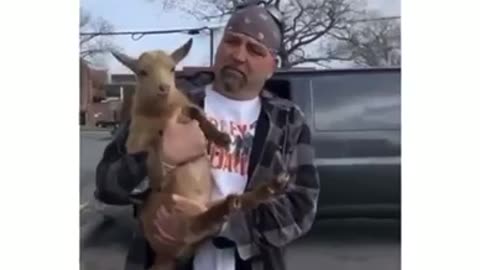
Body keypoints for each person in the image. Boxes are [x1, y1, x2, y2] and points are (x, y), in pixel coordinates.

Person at [95, 3, 320, 270]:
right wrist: (159, 157)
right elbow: (107, 185)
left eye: (254, 49)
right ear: (219, 46)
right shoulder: (170, 102)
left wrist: (220, 222)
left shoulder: (288, 121)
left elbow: (302, 206)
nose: (238, 55)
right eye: (232, 41)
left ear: (273, 65)